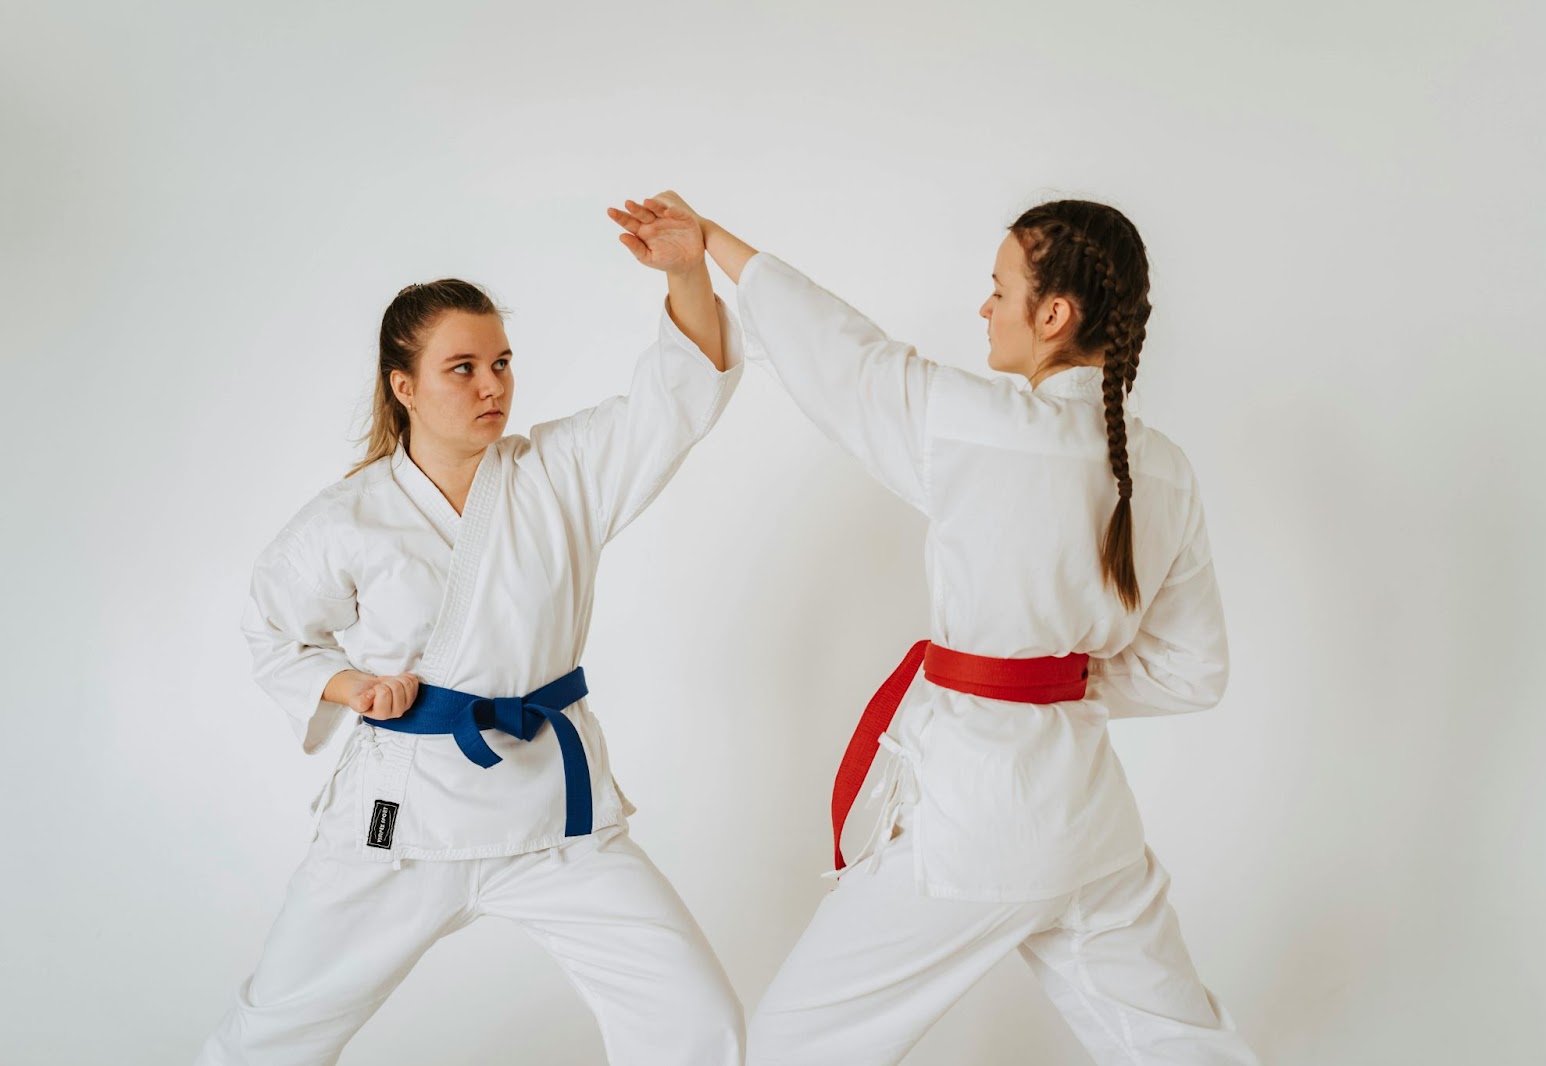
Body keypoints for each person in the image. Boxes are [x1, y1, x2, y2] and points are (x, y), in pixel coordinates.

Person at [608, 193, 1259, 1065]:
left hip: (975, 824)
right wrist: (1054, 680)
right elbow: (1191, 672)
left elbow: (846, 359)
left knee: (797, 1045)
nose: (983, 308)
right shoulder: (1165, 470)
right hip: (1091, 826)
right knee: (1181, 1046)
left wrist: (714, 243)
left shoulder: (975, 426)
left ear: (1054, 314)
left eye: (999, 289)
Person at [196, 196, 745, 1065]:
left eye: (501, 362)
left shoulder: (560, 474)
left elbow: (676, 400)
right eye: (462, 368)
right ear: (403, 385)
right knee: (277, 1029)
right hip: (402, 818)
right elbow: (274, 634)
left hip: (555, 819)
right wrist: (352, 687)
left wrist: (685, 269)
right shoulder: (348, 517)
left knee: (691, 1020)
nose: (492, 386)